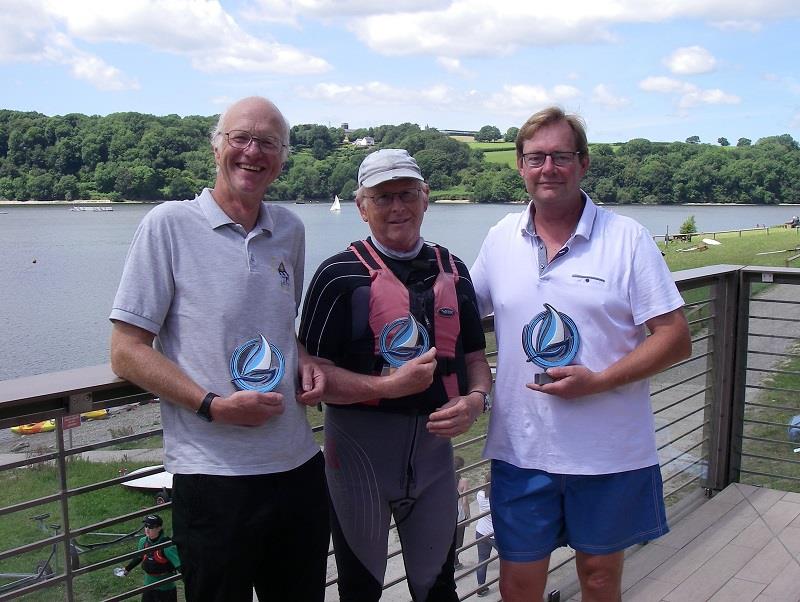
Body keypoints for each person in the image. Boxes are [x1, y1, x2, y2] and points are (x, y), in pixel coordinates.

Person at [109, 96, 329, 602]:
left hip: (297, 467)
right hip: (213, 478)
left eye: (268, 142)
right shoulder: (167, 225)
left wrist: (305, 356)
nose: (253, 152)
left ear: (283, 156)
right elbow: (125, 350)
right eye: (240, 138)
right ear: (216, 147)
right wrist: (214, 406)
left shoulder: (289, 229)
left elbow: (279, 321)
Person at [470, 107, 691, 602]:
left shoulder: (627, 238)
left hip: (608, 451)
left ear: (583, 163)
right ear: (520, 166)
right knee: (518, 586)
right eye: (536, 157)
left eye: (561, 156)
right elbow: (462, 316)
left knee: (598, 578)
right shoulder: (500, 237)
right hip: (521, 450)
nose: (548, 167)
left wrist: (600, 381)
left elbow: (675, 336)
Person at [299, 148, 493, 601]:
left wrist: (476, 400)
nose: (397, 208)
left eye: (406, 194)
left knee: (437, 586)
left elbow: (474, 361)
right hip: (358, 456)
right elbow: (313, 376)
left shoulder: (453, 269)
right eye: (382, 198)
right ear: (361, 206)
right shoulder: (336, 277)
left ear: (426, 198)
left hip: (434, 457)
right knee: (361, 588)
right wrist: (388, 386)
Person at [117, 514, 181, 602]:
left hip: (165, 588)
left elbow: (179, 565)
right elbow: (139, 557)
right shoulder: (143, 541)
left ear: (159, 528)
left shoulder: (167, 545)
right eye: (146, 526)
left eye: (151, 527)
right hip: (148, 585)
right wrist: (127, 569)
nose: (147, 529)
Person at [474, 484, 497, 597]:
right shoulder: (498, 497)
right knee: (508, 561)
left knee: (482, 560)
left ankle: (480, 587)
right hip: (495, 536)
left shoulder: (479, 494)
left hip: (481, 532)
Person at [453, 455, 470, 570]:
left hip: (447, 514)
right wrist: (468, 516)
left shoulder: (445, 479)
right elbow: (465, 502)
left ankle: (454, 562)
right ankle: (455, 562)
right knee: (458, 543)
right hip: (459, 515)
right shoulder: (464, 481)